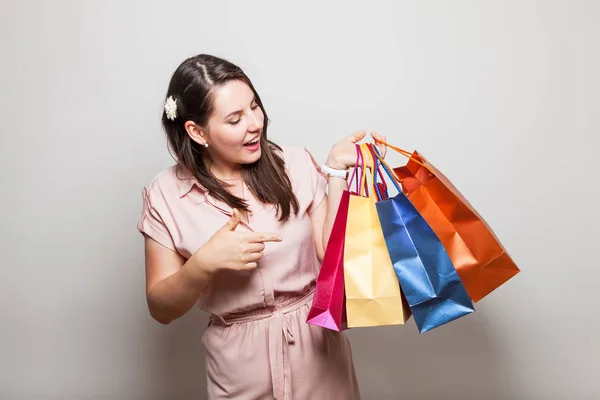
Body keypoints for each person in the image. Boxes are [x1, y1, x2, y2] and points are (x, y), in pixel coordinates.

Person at [137, 54, 387, 399]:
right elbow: (161, 309)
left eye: (255, 107)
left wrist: (335, 175)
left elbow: (334, 260)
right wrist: (204, 262)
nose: (255, 123)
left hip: (317, 350)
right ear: (197, 131)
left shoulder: (295, 163)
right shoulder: (165, 194)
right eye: (235, 119)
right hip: (238, 367)